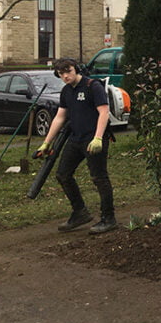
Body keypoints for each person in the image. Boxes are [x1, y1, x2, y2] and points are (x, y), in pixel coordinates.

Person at [35, 58, 116, 234]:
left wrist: (98, 138)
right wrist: (46, 142)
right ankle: (80, 213)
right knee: (63, 175)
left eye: (68, 71)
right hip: (75, 138)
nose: (65, 76)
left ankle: (108, 218)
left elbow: (104, 112)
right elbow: (60, 117)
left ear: (76, 69)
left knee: (99, 178)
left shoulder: (92, 86)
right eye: (61, 74)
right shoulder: (66, 91)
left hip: (93, 138)